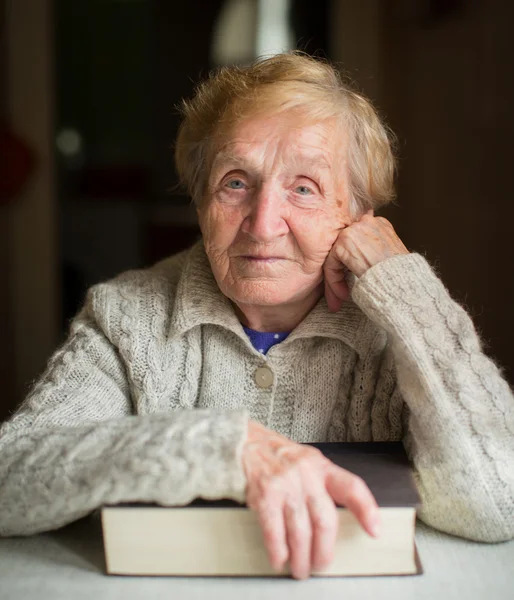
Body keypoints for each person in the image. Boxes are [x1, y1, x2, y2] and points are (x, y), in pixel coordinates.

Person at [0, 52, 513, 580]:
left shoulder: (397, 328)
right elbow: (9, 481)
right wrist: (221, 448)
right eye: (236, 182)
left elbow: (496, 502)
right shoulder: (127, 316)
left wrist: (407, 293)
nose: (264, 224)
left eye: (304, 188)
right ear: (201, 202)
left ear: (357, 217)